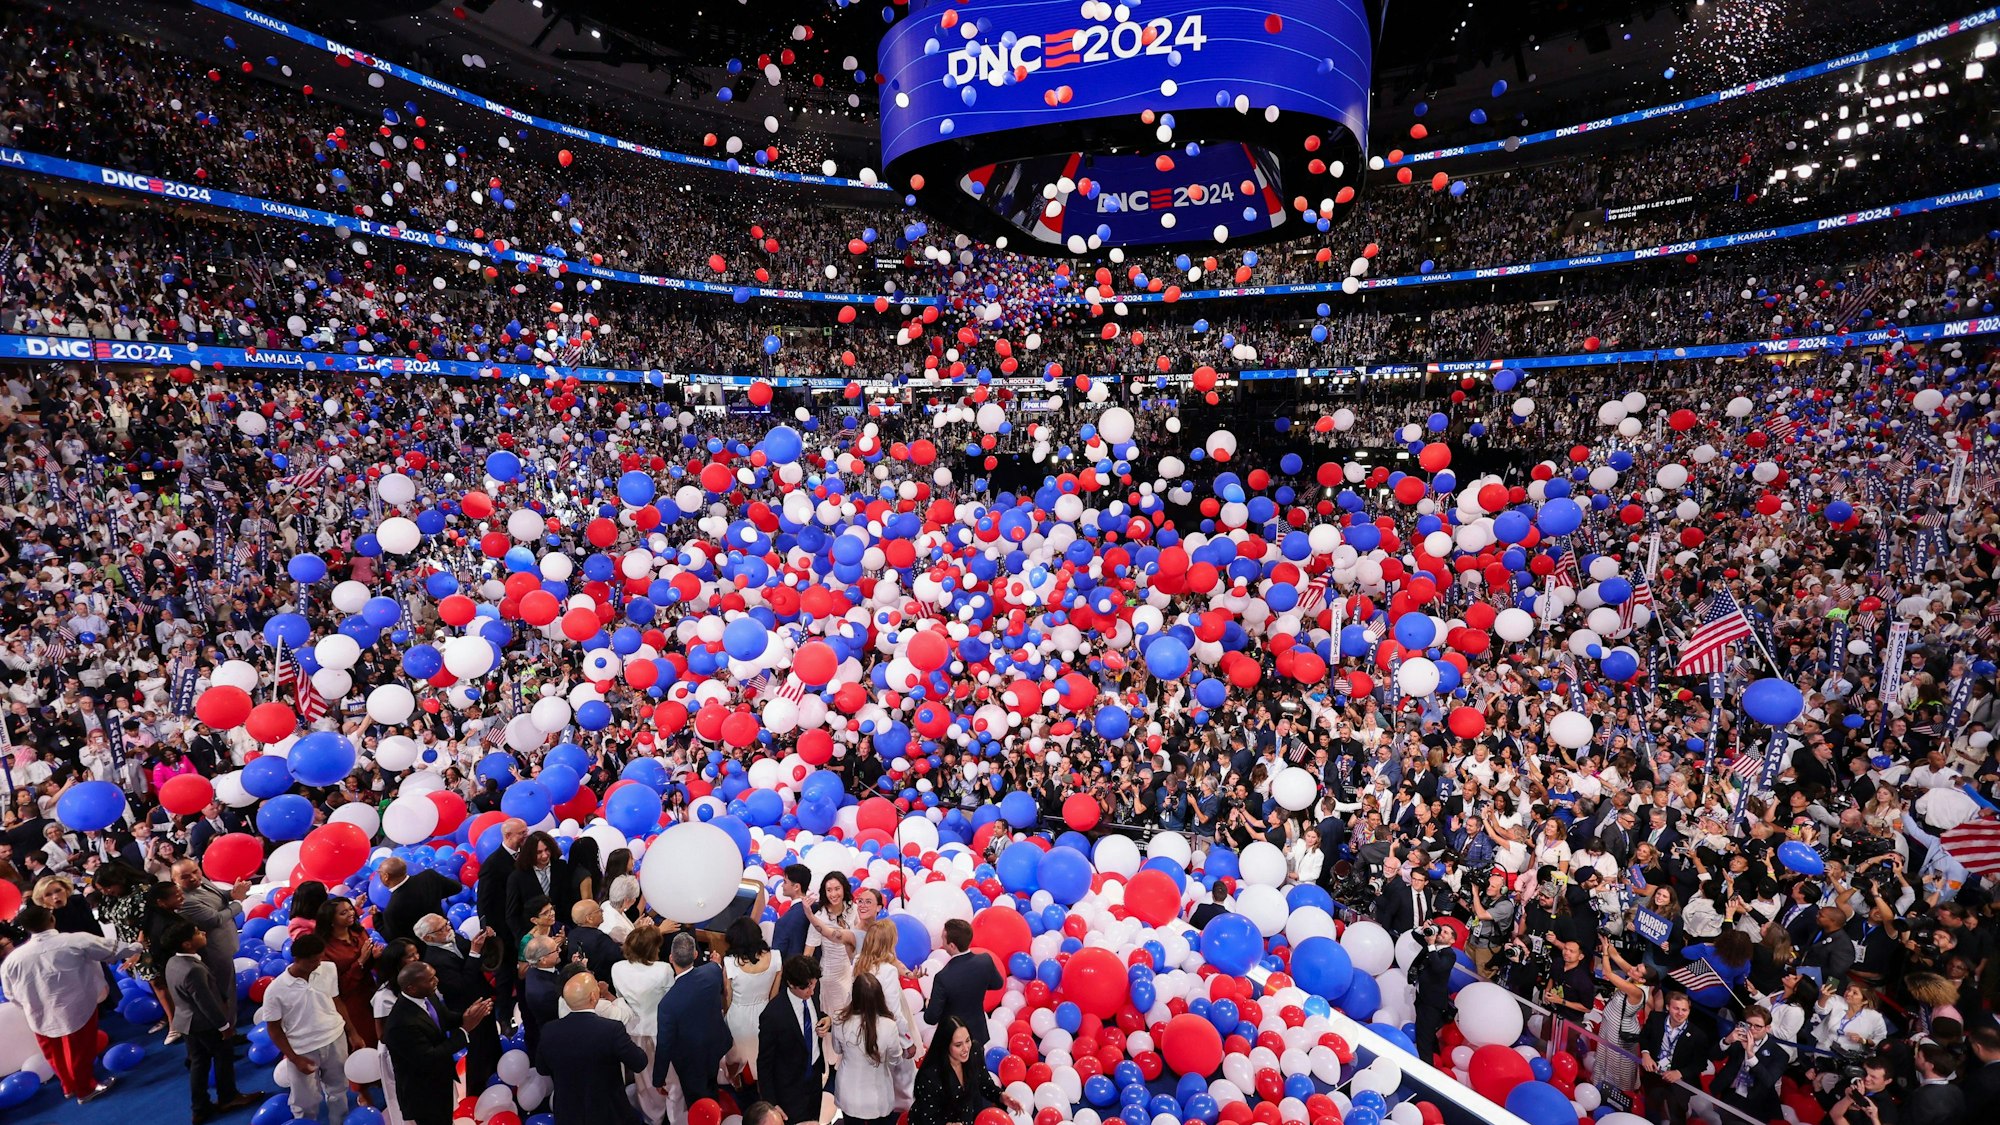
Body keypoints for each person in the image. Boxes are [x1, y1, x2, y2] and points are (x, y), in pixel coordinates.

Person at [1, 904, 136, 1103]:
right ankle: (85, 1089)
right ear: (52, 919)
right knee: (80, 1050)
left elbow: (10, 994)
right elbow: (113, 950)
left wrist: (29, 1005)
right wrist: (138, 946)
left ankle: (69, 1087)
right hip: (76, 1006)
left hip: (38, 1012)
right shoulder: (74, 940)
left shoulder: (12, 960)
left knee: (54, 1052)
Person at [162, 917, 263, 1123]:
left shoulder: (173, 962)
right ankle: (229, 1097)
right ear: (187, 944)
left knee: (198, 1063)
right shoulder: (194, 969)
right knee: (223, 1058)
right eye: (197, 932)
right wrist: (224, 1026)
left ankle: (200, 1108)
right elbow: (206, 1002)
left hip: (186, 1022)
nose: (203, 933)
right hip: (206, 1024)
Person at [381, 960, 493, 1125]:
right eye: (430, 979)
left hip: (439, 1082)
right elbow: (429, 1057)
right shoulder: (400, 1024)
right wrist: (464, 1030)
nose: (437, 981)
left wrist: (466, 1016)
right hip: (423, 1094)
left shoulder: (427, 995)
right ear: (411, 988)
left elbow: (443, 1018)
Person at [263, 933, 352, 1124]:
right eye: (313, 961)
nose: (318, 964)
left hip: (335, 1037)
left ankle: (339, 1121)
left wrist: (352, 1032)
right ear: (297, 959)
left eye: (320, 958)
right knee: (304, 1100)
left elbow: (336, 1001)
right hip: (302, 1049)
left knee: (339, 1089)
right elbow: (274, 1029)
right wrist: (294, 1058)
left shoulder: (329, 968)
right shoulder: (275, 990)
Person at [538, 973, 645, 1125]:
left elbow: (542, 1069)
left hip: (568, 1113)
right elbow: (639, 1062)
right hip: (608, 1113)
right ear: (594, 997)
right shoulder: (611, 1030)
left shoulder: (549, 1030)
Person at [415, 913, 503, 1092]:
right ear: (428, 938)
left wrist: (486, 940)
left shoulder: (453, 937)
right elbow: (462, 985)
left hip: (483, 999)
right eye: (442, 928)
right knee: (478, 1052)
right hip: (467, 1009)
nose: (449, 928)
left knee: (491, 1041)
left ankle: (499, 1074)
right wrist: (474, 952)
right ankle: (477, 1092)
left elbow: (472, 953)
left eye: (447, 923)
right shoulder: (434, 961)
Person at [654, 930, 733, 1109]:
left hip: (692, 1061)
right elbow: (717, 973)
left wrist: (659, 1078)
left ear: (671, 958)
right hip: (715, 1045)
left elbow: (664, 1045)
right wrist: (716, 962)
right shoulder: (712, 971)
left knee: (699, 1103)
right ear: (696, 955)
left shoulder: (667, 1004)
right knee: (711, 1085)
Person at [172, 858, 248, 1032]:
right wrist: (238, 902)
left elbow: (220, 896)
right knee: (222, 992)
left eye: (195, 871)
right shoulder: (184, 901)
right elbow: (216, 919)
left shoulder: (201, 880)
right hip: (213, 950)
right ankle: (227, 1030)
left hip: (225, 943)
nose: (193, 877)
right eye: (185, 876)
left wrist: (233, 892)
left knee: (228, 987)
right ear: (174, 880)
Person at [908, 1015, 1026, 1125]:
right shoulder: (930, 1075)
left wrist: (1002, 1096)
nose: (966, 1048)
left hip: (966, 1116)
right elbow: (927, 1117)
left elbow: (984, 1083)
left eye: (967, 1040)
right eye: (958, 1045)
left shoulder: (974, 1051)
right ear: (946, 1045)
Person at [612, 922, 675, 1125]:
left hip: (633, 1029)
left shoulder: (617, 968)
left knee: (644, 1078)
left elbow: (620, 997)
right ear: (652, 949)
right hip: (660, 1030)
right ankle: (674, 1115)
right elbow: (671, 1000)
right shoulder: (664, 969)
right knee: (670, 1074)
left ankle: (652, 1117)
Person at [757, 956, 826, 1125]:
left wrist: (827, 1020)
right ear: (791, 984)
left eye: (814, 985)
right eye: (806, 987)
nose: (811, 991)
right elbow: (764, 1064)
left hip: (815, 1081)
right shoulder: (772, 1015)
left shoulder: (812, 991)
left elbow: (816, 1015)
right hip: (789, 1090)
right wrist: (771, 1103)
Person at [830, 974, 905, 1125]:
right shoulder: (889, 1025)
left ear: (854, 995)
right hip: (879, 1094)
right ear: (879, 997)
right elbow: (896, 1060)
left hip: (848, 1093)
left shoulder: (839, 1019)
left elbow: (837, 1049)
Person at [476, 818, 528, 1028]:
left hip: (522, 925)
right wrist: (488, 929)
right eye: (521, 833)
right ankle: (504, 1019)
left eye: (525, 832)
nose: (525, 836)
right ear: (508, 836)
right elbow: (484, 901)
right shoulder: (493, 864)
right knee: (506, 977)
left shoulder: (524, 856)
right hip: (503, 932)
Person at [924, 919, 1003, 1057]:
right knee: (977, 1068)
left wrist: (929, 1004)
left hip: (954, 1042)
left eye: (943, 939)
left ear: (952, 946)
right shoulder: (985, 961)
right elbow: (997, 984)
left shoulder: (943, 977)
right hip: (978, 1034)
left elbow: (931, 1018)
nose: (942, 943)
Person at [722, 916, 780, 1087]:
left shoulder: (730, 963)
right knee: (762, 1057)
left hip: (738, 1016)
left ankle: (737, 1083)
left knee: (735, 1057)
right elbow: (774, 996)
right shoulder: (776, 958)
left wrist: (727, 1015)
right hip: (765, 1014)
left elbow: (727, 997)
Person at [1637, 991, 1711, 1125]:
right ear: (1667, 1007)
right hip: (1654, 1075)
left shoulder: (1698, 1035)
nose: (1680, 1013)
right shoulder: (1656, 1018)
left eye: (1684, 1010)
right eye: (1676, 1008)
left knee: (1677, 1116)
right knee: (1652, 1109)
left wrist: (1680, 1073)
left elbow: (1701, 1064)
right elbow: (1644, 1037)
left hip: (1679, 1083)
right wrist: (1645, 1053)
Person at [1713, 1005, 1788, 1122]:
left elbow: (1768, 1081)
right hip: (1730, 1093)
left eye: (1757, 1026)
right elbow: (1714, 1056)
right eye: (1749, 1024)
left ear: (1767, 1028)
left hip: (1757, 1102)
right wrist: (1727, 1041)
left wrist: (1751, 1054)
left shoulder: (1779, 1054)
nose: (1752, 1029)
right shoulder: (1737, 1039)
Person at [507, 832, 573, 946]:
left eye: (547, 850)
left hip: (560, 933)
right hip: (533, 938)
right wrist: (525, 940)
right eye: (539, 852)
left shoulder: (561, 867)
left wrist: (566, 934)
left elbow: (568, 901)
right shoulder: (518, 877)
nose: (545, 855)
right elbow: (512, 914)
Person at [377, 857, 460, 945]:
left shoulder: (392, 910)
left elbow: (395, 940)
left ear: (386, 876)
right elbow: (457, 887)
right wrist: (434, 895)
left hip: (426, 950)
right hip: (449, 935)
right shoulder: (429, 876)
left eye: (379, 873)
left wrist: (377, 919)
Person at [1407, 925, 1456, 1060]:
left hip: (1432, 1004)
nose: (1441, 933)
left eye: (1446, 932)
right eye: (1441, 930)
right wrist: (1424, 927)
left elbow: (1438, 967)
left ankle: (1425, 1068)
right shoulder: (1431, 945)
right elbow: (1415, 934)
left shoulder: (1449, 954)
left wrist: (1431, 945)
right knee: (1427, 1034)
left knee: (1424, 1040)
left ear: (1452, 940)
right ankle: (1436, 1059)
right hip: (1422, 997)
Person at [519, 933, 564, 1059]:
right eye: (556, 950)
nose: (560, 951)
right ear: (543, 960)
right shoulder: (545, 992)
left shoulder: (536, 970)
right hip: (556, 1039)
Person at [1906, 1042, 1967, 1125]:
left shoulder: (1921, 1096)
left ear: (1929, 1065)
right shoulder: (1956, 1091)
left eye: (1919, 1056)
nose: (1914, 1057)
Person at [566, 900, 623, 985]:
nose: (602, 911)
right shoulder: (599, 938)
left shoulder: (572, 934)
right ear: (589, 918)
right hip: (602, 983)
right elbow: (620, 955)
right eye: (599, 910)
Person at [770, 863, 813, 963]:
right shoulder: (817, 910)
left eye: (785, 882)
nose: (782, 885)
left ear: (796, 887)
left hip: (793, 968)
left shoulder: (784, 921)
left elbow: (777, 957)